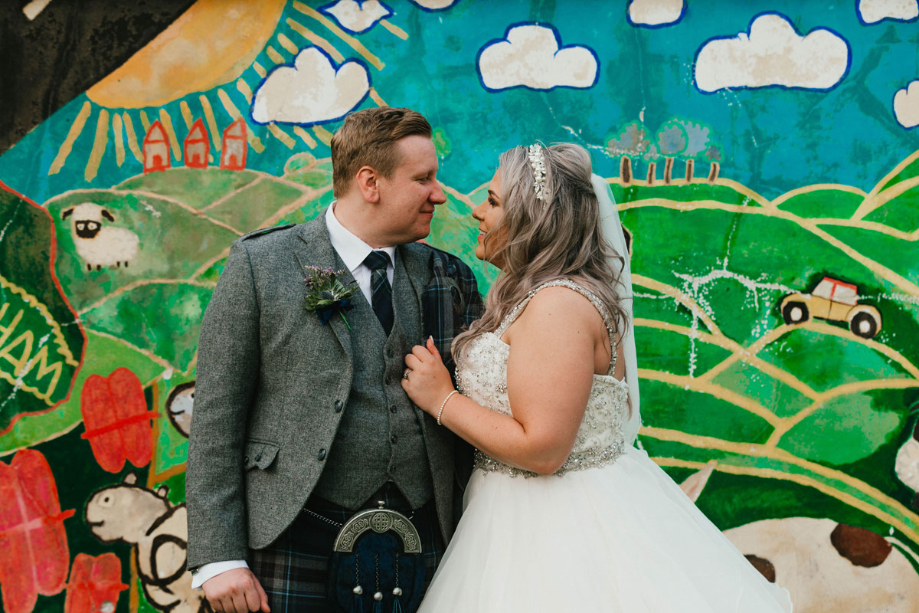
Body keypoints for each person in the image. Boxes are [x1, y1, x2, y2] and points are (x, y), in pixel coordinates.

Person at [400, 143, 794, 612]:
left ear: (533, 220)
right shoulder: (542, 297)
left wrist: (442, 399)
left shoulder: (557, 307)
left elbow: (543, 448)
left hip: (558, 529)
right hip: (516, 516)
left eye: (493, 201)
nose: (475, 211)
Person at [186, 107, 483, 613]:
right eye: (424, 179)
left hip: (425, 542)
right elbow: (216, 417)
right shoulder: (260, 265)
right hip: (291, 537)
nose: (439, 193)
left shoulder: (448, 275)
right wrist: (218, 558)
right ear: (371, 183)